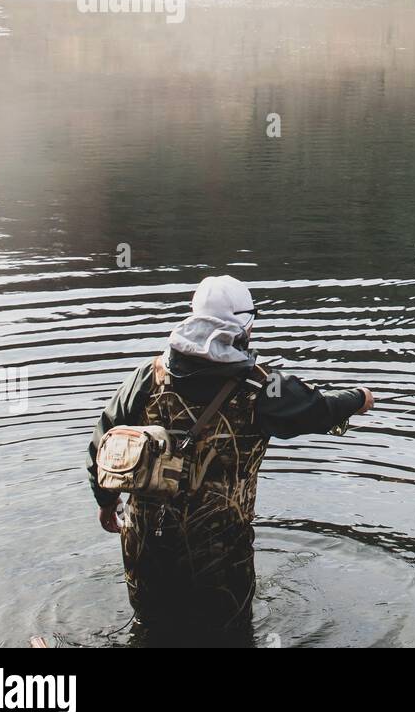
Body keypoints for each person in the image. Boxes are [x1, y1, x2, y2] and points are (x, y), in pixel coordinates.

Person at [87, 275, 373, 646]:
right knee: (229, 637)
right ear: (245, 325)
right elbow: (318, 410)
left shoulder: (149, 375)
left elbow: (103, 440)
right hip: (219, 552)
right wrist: (359, 398)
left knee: (151, 633)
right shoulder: (261, 388)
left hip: (145, 542)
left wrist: (106, 503)